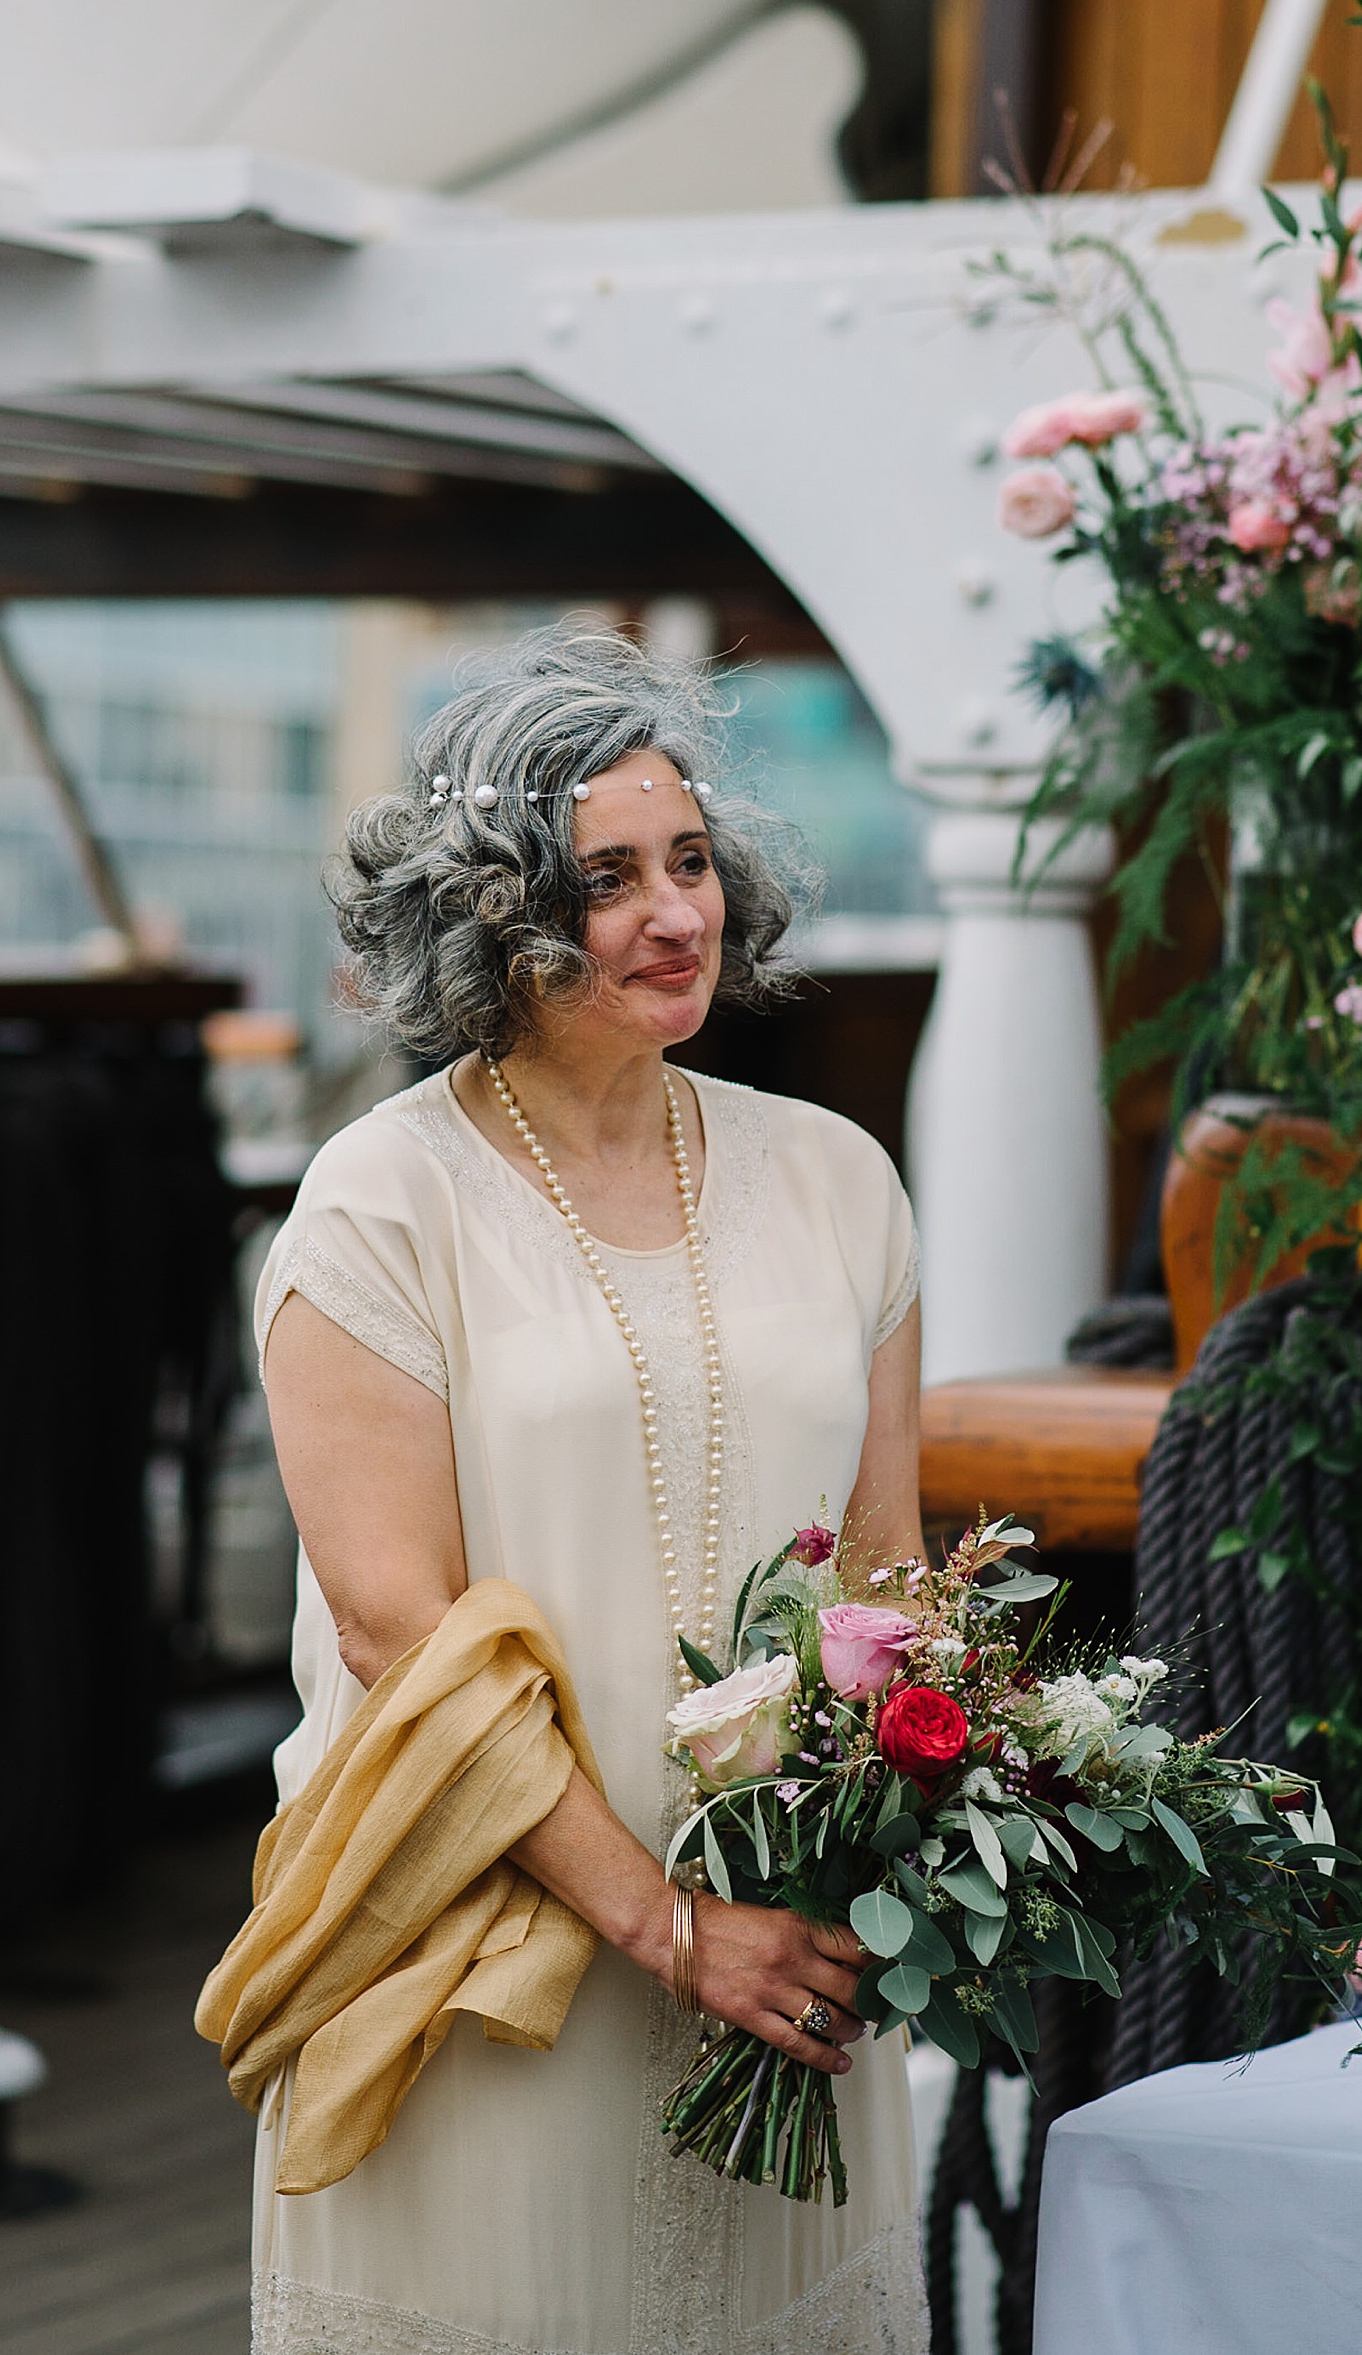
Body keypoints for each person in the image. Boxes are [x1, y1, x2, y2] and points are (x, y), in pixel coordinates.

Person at [249, 628, 930, 2355]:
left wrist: (915, 1830)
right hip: (491, 1969)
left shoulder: (842, 1181)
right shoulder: (377, 1206)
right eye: (609, 876)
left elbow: (890, 1567)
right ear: (498, 911)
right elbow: (400, 1631)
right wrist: (664, 1921)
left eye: (691, 860)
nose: (675, 913)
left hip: (790, 1954)